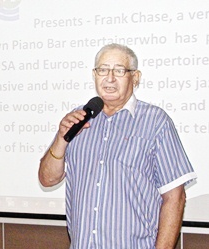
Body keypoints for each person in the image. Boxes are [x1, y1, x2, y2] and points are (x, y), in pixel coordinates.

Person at [39, 43, 197, 249]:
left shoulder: (156, 122)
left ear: (136, 77)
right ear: (94, 75)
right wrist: (61, 139)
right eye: (102, 70)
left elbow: (174, 198)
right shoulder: (78, 119)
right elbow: (47, 179)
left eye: (119, 71)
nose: (109, 78)